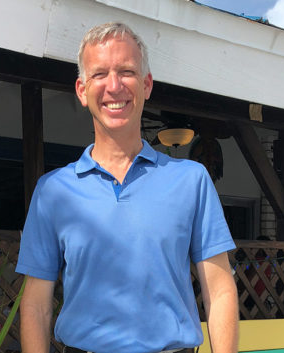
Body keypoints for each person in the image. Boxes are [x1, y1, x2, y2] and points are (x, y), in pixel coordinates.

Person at [16, 22, 239, 353]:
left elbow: (220, 291)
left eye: (127, 71)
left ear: (146, 84)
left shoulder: (191, 181)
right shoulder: (53, 192)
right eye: (100, 74)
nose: (114, 85)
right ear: (81, 89)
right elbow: (36, 305)